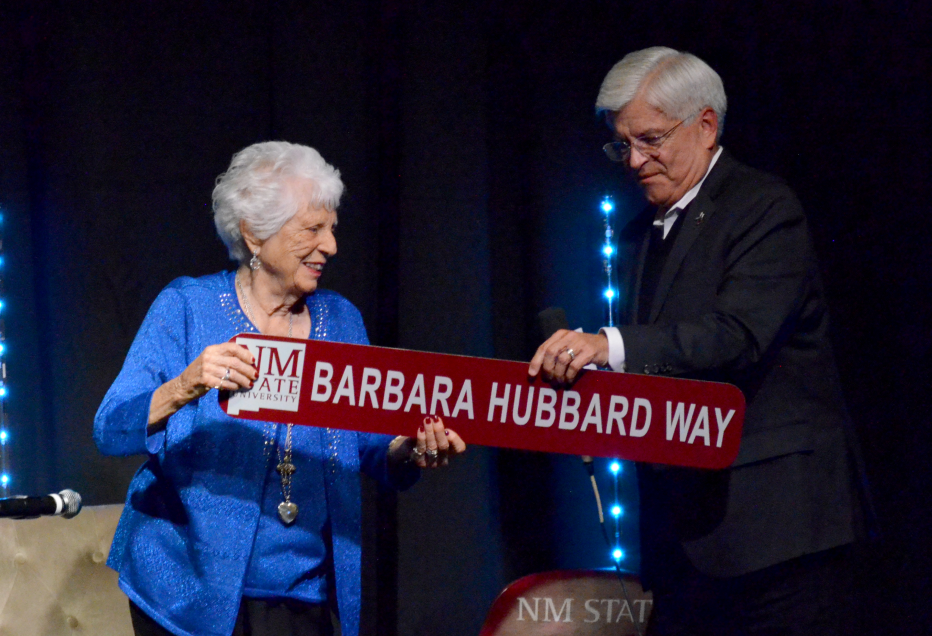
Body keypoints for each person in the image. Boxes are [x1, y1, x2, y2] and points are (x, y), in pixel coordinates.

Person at [529, 47, 868, 635]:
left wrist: (607, 344)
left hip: (778, 541)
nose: (633, 161)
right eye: (621, 145)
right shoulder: (640, 235)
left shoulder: (764, 207)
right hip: (681, 550)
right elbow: (658, 364)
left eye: (650, 139)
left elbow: (737, 336)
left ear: (705, 125)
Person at [94, 141, 466, 636]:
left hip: (303, 596)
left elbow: (375, 449)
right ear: (253, 233)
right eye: (313, 229)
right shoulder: (186, 306)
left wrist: (410, 449)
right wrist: (185, 384)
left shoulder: (342, 320)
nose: (331, 246)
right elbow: (110, 428)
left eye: (332, 229)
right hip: (185, 594)